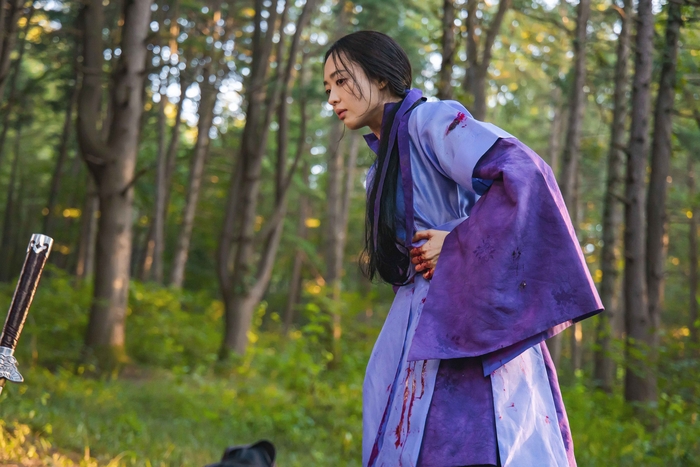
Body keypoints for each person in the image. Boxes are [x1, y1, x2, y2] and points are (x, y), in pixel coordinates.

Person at [323, 31, 602, 467]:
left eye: (341, 81)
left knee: (473, 441)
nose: (333, 97)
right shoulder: (380, 167)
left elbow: (524, 172)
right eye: (327, 88)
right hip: (416, 325)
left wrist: (458, 241)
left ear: (379, 77)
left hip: (468, 320)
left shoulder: (431, 121)